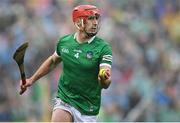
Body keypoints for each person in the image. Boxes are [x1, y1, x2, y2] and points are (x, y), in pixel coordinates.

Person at [20, 4, 113, 122]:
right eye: (90, 18)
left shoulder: (103, 48)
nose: (95, 22)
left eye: (96, 18)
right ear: (78, 22)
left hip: (88, 108)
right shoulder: (64, 42)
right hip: (65, 99)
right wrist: (31, 80)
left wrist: (103, 78)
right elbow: (53, 61)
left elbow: (106, 83)